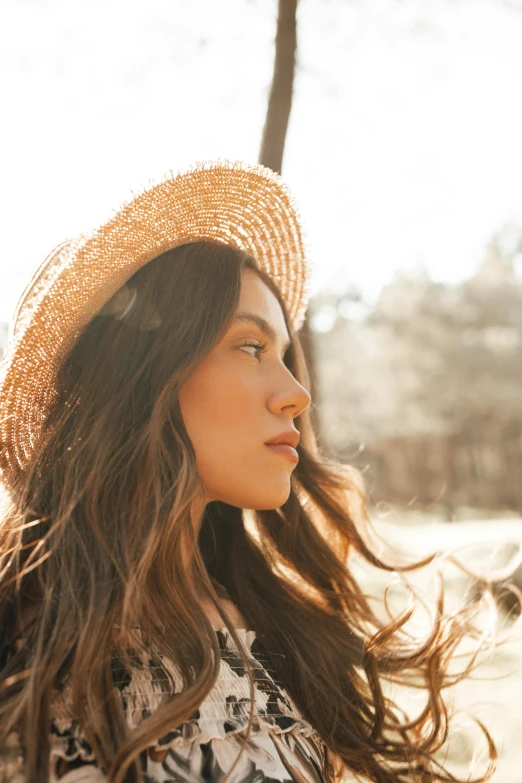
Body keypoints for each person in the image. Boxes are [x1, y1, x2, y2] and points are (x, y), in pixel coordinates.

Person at [0, 161, 494, 783]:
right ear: (145, 371)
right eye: (251, 348)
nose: (295, 395)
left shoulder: (265, 625)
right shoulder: (41, 660)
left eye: (286, 357)